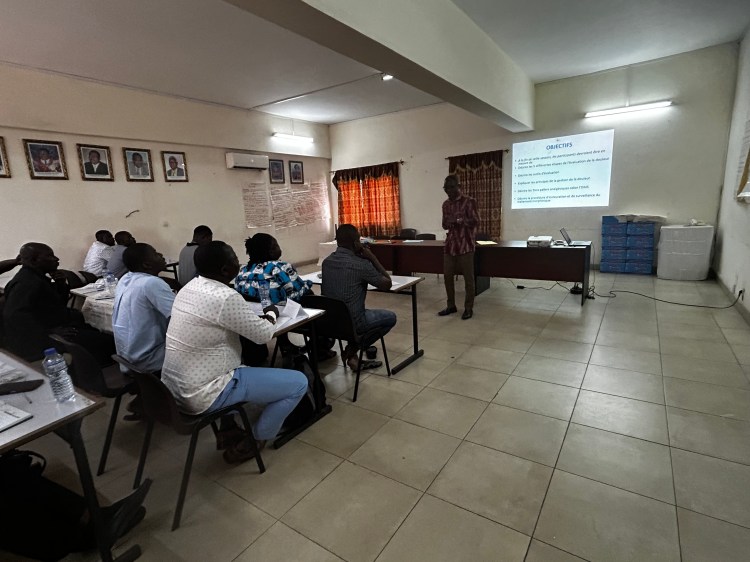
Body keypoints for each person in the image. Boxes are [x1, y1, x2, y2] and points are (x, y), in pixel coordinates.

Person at [162, 241, 308, 463]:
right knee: (298, 383)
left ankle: (228, 428)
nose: (238, 263)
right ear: (224, 269)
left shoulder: (188, 288)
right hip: (204, 393)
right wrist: (271, 314)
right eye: (234, 259)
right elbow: (262, 335)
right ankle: (257, 438)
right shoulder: (225, 296)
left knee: (241, 361)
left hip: (174, 390)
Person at [2, 243, 115, 364]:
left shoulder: (38, 277)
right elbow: (14, 316)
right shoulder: (27, 283)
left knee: (100, 334)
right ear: (34, 261)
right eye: (50, 256)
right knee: (110, 343)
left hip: (60, 325)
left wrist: (61, 284)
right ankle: (88, 371)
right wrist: (50, 332)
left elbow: (55, 305)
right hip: (45, 337)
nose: (56, 259)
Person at [322, 224, 396, 370]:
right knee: (390, 318)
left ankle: (353, 356)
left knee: (352, 309)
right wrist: (372, 258)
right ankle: (353, 349)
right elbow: (387, 284)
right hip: (354, 321)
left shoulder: (327, 262)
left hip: (330, 321)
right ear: (356, 243)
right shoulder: (361, 264)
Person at [112, 243, 174, 374]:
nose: (161, 255)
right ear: (146, 264)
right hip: (149, 361)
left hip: (127, 359)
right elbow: (178, 318)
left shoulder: (125, 278)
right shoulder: (151, 283)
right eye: (156, 254)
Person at [438, 175, 479, 320]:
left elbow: (475, 221)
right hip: (450, 245)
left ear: (459, 186)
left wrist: (459, 220)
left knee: (468, 279)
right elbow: (444, 225)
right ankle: (451, 306)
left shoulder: (469, 201)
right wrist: (448, 223)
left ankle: (468, 308)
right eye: (446, 188)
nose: (448, 190)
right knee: (447, 276)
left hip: (465, 244)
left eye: (451, 187)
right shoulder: (445, 204)